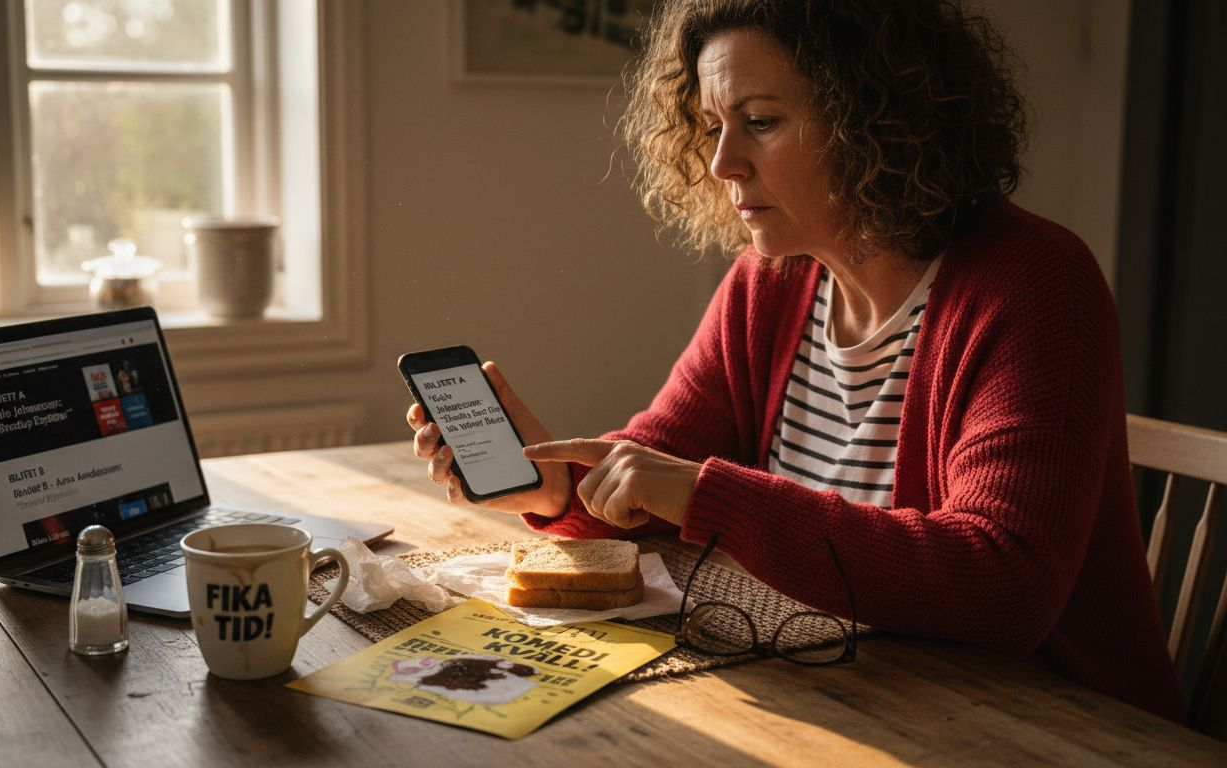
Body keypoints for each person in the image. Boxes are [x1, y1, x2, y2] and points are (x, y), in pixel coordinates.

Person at [406, 0, 1184, 723]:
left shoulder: (1035, 283)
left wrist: (712, 498)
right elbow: (661, 466)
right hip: (854, 696)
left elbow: (1003, 583)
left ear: (879, 119)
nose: (722, 163)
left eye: (762, 121)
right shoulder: (770, 281)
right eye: (712, 124)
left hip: (1048, 725)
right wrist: (557, 488)